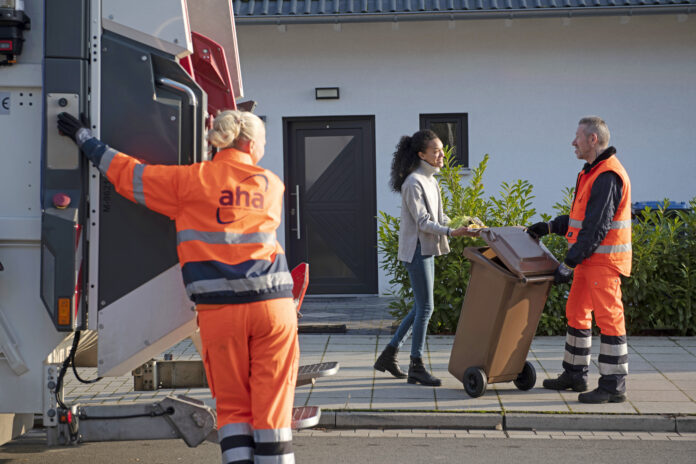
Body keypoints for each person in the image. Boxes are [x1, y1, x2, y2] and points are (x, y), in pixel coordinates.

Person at [58, 110, 298, 463]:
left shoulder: (191, 181)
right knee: (272, 408)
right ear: (248, 143)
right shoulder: (271, 185)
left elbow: (130, 176)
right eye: (263, 141)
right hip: (274, 309)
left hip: (221, 312)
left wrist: (85, 139)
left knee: (233, 408)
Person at [527, 116, 631, 404]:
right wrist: (548, 226)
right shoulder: (592, 173)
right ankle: (574, 374)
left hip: (602, 263)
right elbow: (579, 220)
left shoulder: (608, 175)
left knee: (609, 320)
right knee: (576, 313)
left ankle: (613, 384)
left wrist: (568, 263)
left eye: (578, 137)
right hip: (589, 261)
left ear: (592, 140)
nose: (573, 142)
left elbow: (595, 228)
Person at [374, 130, 475, 386]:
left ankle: (389, 354)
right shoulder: (413, 183)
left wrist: (466, 224)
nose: (442, 155)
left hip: (426, 249)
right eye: (436, 151)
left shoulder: (432, 181)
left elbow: (440, 220)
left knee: (421, 306)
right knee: (426, 308)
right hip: (415, 250)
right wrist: (452, 232)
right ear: (422, 154)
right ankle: (416, 365)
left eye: (442, 150)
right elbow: (423, 222)